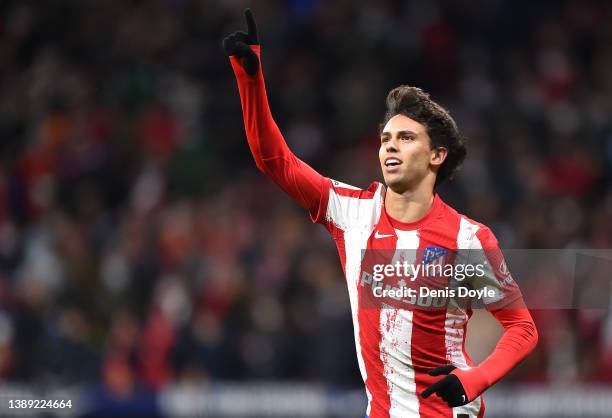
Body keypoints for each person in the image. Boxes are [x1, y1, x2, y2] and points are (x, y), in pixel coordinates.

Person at [223, 9, 538, 418]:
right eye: (386, 138)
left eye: (406, 138)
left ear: (436, 155)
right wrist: (250, 78)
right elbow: (274, 160)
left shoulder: (468, 240)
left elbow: (523, 329)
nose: (390, 146)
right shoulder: (353, 212)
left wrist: (474, 379)